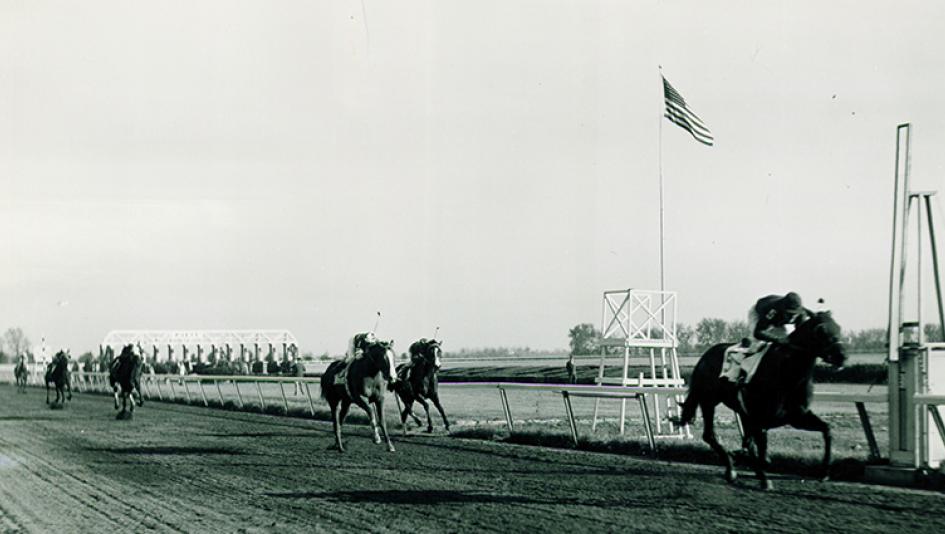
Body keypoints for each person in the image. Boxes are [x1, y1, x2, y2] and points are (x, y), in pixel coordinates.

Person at [724, 292, 810, 386]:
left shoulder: (802, 313)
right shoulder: (772, 310)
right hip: (759, 317)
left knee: (788, 345)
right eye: (789, 314)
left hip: (777, 322)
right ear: (783, 308)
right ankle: (739, 374)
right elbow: (758, 332)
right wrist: (778, 340)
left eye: (794, 314)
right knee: (756, 345)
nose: (791, 318)